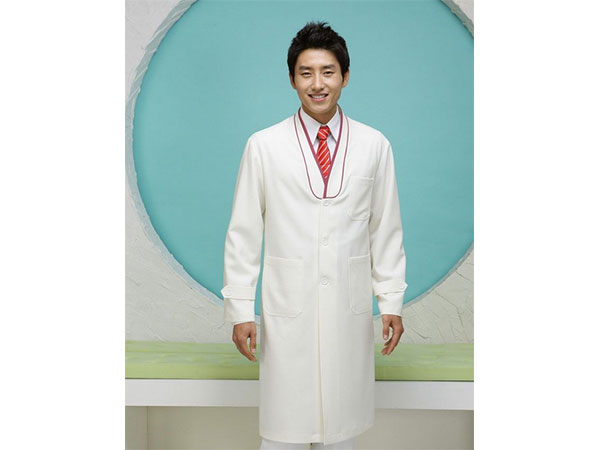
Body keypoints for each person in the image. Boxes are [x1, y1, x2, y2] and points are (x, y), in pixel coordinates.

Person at [221, 21, 408, 449]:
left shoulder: (374, 145)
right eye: (306, 73)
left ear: (345, 76)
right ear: (292, 79)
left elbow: (386, 228)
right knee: (283, 431)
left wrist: (391, 299)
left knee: (342, 432)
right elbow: (243, 233)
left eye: (328, 72)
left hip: (347, 305)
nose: (317, 84)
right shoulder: (264, 146)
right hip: (289, 306)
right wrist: (240, 309)